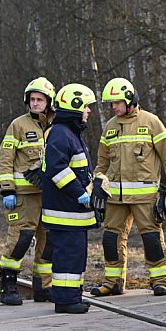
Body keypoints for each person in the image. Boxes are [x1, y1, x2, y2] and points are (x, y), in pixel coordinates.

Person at [90, 77, 166, 297]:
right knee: (111, 240)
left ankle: (160, 281)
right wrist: (97, 183)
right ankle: (113, 283)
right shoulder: (109, 127)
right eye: (111, 103)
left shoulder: (151, 122)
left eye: (117, 102)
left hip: (145, 197)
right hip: (115, 198)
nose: (114, 107)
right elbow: (102, 164)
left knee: (152, 239)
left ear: (130, 100)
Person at [0, 77, 56, 305]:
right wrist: (7, 190)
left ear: (49, 102)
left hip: (49, 196)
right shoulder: (18, 125)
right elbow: (5, 159)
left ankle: (43, 287)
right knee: (20, 239)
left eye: (40, 99)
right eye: (32, 99)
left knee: (47, 242)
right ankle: (8, 287)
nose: (35, 103)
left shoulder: (56, 126)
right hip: (24, 197)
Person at [41, 83, 97, 313]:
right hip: (65, 212)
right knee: (68, 256)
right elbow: (57, 169)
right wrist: (79, 193)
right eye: (86, 106)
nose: (88, 111)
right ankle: (65, 301)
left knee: (75, 257)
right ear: (75, 107)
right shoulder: (61, 133)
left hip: (73, 213)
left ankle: (73, 296)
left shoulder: (69, 133)